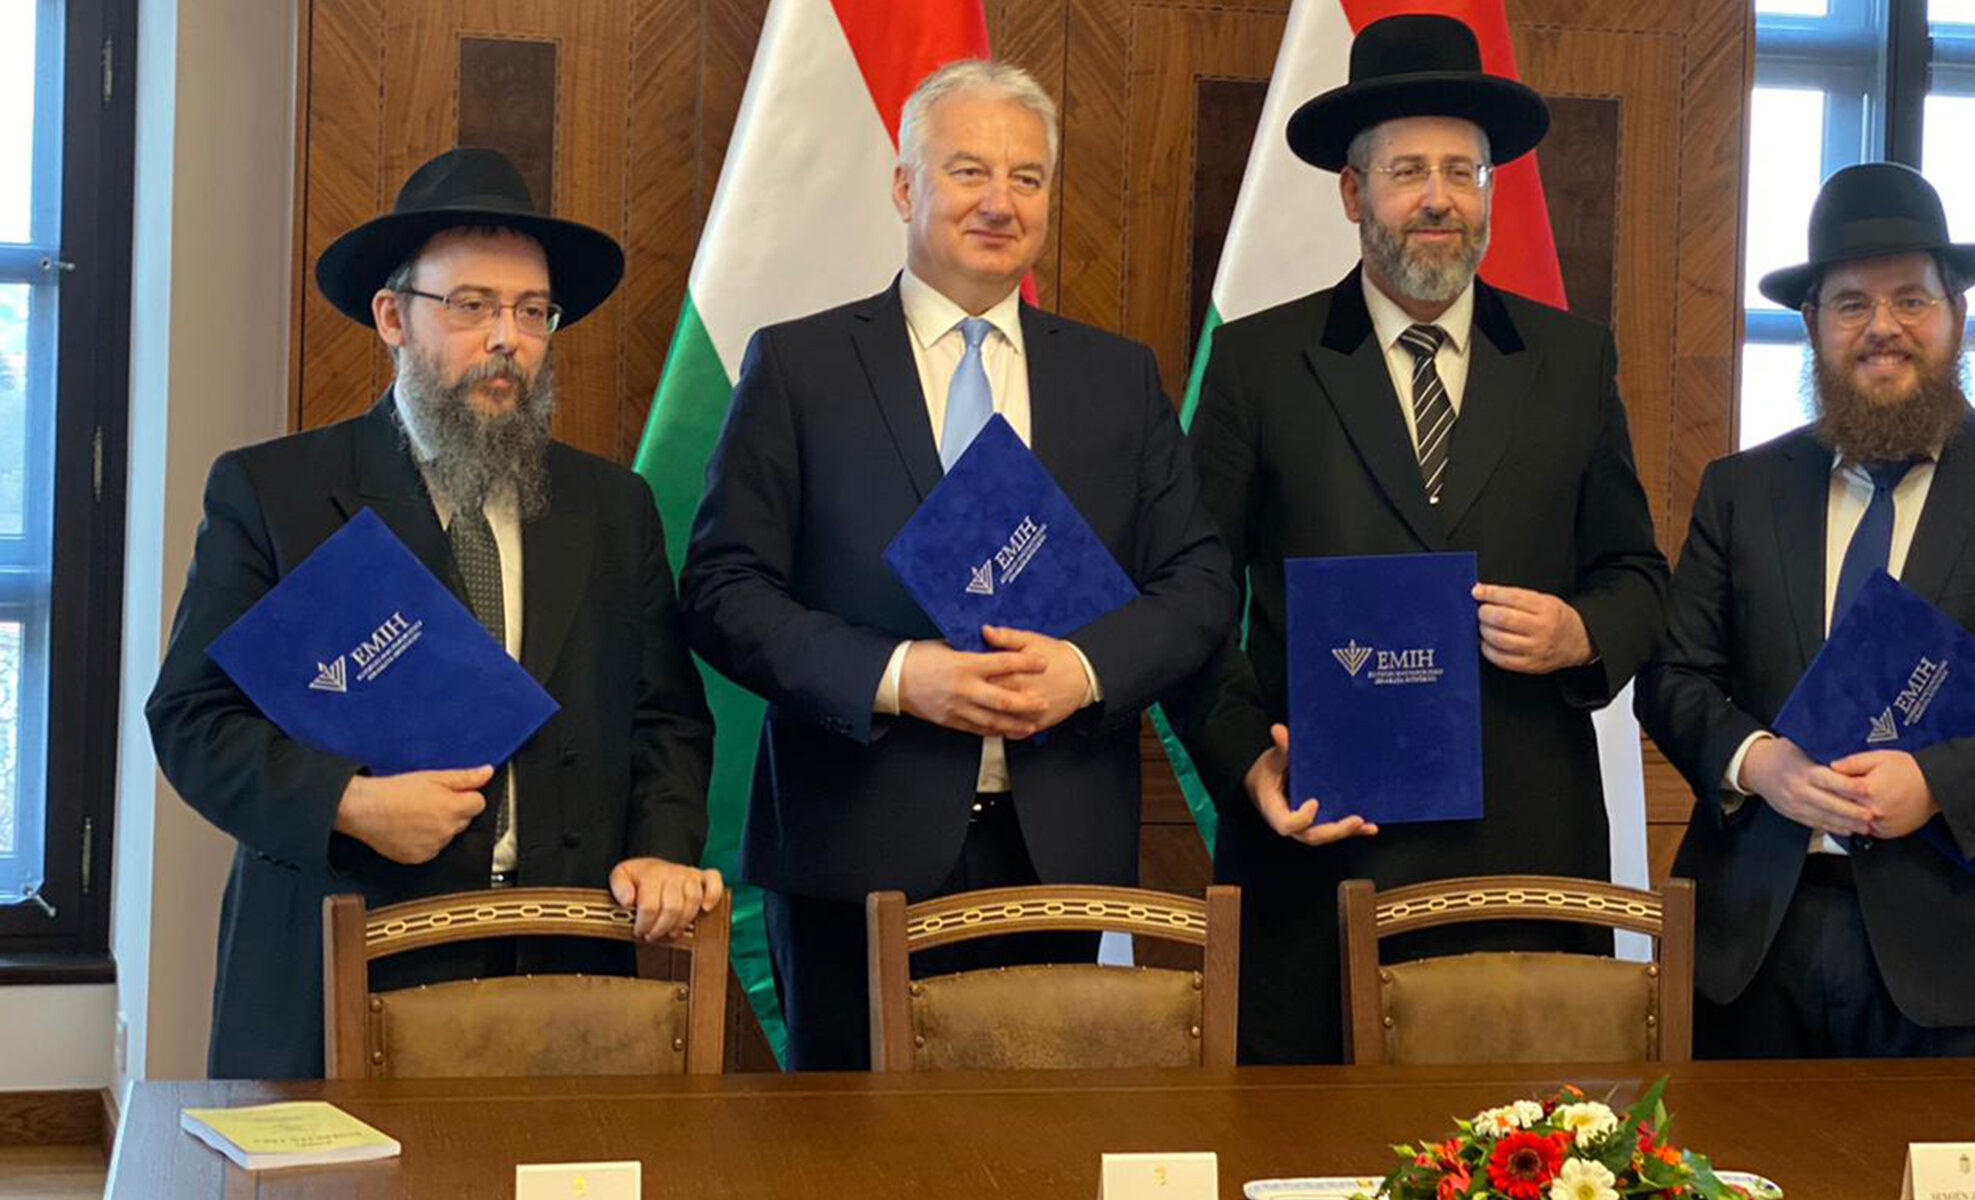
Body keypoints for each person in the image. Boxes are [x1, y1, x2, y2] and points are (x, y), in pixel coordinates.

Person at [678, 60, 1235, 1071]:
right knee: (847, 1160)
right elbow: (723, 590)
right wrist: (899, 677)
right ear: (905, 187)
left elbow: (1199, 584)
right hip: (854, 841)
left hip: (1055, 842)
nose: (999, 202)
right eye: (969, 169)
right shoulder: (801, 368)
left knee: (1030, 1150)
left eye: (1027, 179)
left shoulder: (1115, 378)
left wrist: (1086, 671)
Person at [146, 147, 720, 1079]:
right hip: (342, 955)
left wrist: (662, 847)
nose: (507, 338)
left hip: (560, 960)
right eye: (471, 306)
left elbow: (665, 717)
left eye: (533, 313)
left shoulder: (612, 507)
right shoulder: (280, 492)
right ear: (393, 318)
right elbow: (191, 720)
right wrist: (348, 802)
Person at [1162, 14, 1669, 1064]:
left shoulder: (1572, 362)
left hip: (1529, 852)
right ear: (1354, 195)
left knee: (1531, 1155)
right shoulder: (1261, 364)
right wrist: (1250, 763)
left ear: (1489, 190)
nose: (1438, 197)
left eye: (1462, 170)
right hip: (1323, 847)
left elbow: (1637, 578)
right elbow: (1190, 604)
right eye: (1406, 171)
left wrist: (1583, 631)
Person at [1635, 161, 1975, 1057]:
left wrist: (1936, 784)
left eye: (1911, 299)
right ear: (1812, 326)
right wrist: (1762, 765)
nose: (1882, 329)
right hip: (1757, 943)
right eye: (1850, 304)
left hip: (1971, 940)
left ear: (1957, 317)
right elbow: (1673, 678)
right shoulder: (1741, 491)